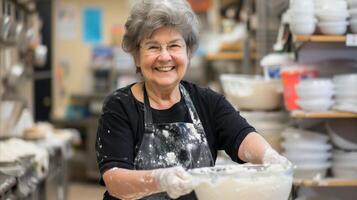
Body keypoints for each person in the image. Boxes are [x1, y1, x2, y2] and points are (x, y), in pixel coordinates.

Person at [95, 0, 290, 199]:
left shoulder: (207, 102)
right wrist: (160, 179)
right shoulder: (119, 106)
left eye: (174, 46)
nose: (164, 57)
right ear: (137, 56)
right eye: (153, 47)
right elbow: (115, 180)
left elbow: (242, 136)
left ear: (188, 52)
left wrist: (268, 156)